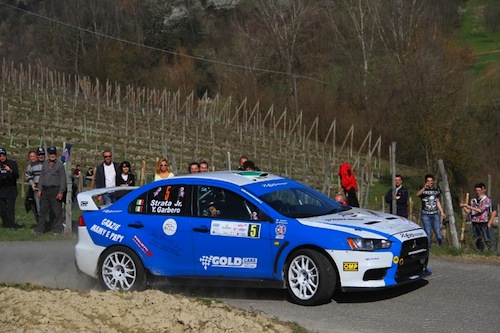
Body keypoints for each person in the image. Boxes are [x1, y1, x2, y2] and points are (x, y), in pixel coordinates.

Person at [36, 146, 67, 234]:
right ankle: (39, 230)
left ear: (56, 154)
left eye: (54, 153)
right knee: (42, 211)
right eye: (51, 153)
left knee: (57, 211)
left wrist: (61, 192)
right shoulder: (45, 164)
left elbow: (62, 179)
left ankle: (57, 230)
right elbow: (41, 177)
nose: (52, 155)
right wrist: (39, 189)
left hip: (55, 190)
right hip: (45, 190)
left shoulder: (59, 165)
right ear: (48, 154)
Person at [460, 183, 492, 251]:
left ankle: (489, 250)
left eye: (479, 190)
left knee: (486, 237)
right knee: (477, 238)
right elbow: (469, 211)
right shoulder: (473, 200)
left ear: (482, 190)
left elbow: (480, 210)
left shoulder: (486, 200)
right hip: (474, 221)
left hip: (483, 221)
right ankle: (480, 250)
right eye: (476, 190)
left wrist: (468, 206)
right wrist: (463, 207)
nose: (477, 192)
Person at [417, 174, 446, 247]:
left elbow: (437, 201)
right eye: (428, 181)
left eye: (431, 181)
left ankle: (442, 246)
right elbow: (417, 194)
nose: (430, 182)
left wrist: (442, 212)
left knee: (438, 232)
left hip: (435, 214)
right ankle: (428, 248)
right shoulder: (423, 190)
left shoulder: (436, 191)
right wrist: (424, 187)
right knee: (428, 232)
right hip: (425, 215)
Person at [0, 148, 21, 229]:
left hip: (11, 190)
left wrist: (10, 170)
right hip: (1, 190)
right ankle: (6, 223)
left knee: (10, 209)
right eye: (0, 156)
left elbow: (16, 175)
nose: (2, 157)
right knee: (2, 210)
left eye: (3, 155)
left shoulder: (11, 163)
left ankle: (11, 225)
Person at [25, 148, 46, 224]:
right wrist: (32, 183)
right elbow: (27, 176)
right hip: (36, 188)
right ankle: (41, 224)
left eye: (42, 154)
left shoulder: (47, 164)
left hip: (46, 187)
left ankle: (48, 223)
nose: (41, 156)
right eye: (39, 154)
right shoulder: (31, 166)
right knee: (38, 207)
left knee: (47, 207)